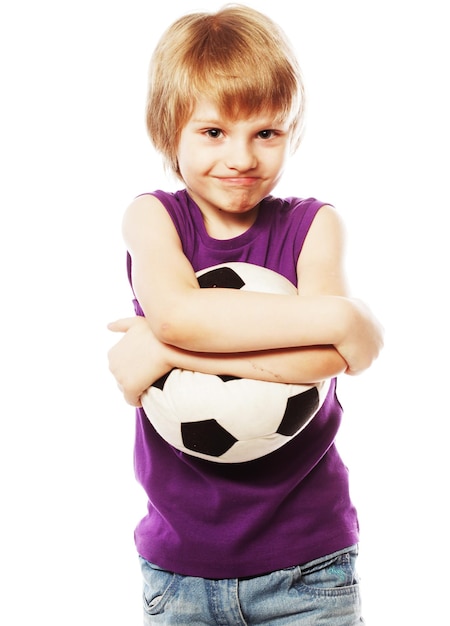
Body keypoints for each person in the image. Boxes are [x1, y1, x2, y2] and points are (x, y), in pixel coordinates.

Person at [107, 4, 383, 624]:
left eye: (267, 132)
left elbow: (327, 361)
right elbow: (178, 312)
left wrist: (163, 350)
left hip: (309, 564)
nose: (241, 157)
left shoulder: (314, 227)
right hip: (178, 567)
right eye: (212, 132)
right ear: (166, 130)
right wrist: (338, 322)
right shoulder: (153, 218)